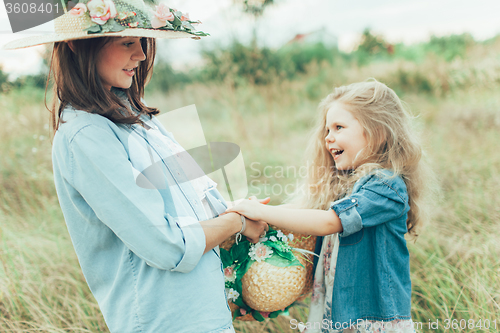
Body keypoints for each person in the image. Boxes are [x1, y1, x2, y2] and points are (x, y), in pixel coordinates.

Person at [4, 1, 268, 332]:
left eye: (143, 41)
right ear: (77, 44)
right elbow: (167, 245)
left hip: (201, 311)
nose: (142, 54)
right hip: (164, 320)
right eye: (127, 41)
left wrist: (236, 278)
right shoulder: (86, 136)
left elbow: (196, 214)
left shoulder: (138, 119)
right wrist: (237, 222)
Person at [226, 80, 432, 333]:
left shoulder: (386, 187)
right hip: (338, 311)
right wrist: (253, 208)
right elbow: (309, 211)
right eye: (327, 130)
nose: (328, 138)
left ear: (377, 132)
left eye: (339, 127)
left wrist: (263, 212)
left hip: (375, 318)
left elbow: (328, 221)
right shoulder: (347, 184)